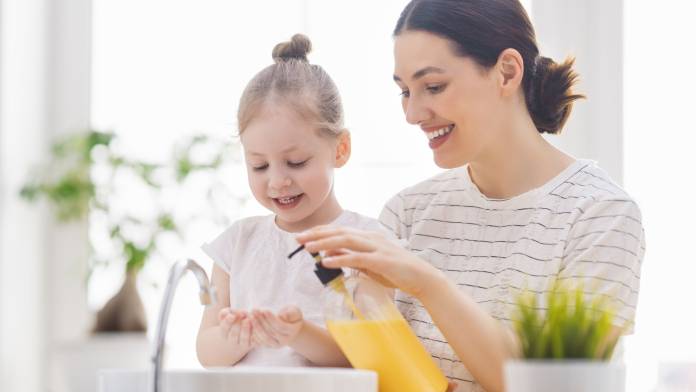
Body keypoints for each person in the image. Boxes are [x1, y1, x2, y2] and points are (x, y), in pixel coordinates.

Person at [297, 1, 645, 391]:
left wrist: (426, 283)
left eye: (433, 87)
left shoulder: (600, 214)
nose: (412, 113)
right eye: (405, 92)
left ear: (507, 72)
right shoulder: (408, 211)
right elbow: (380, 369)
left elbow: (551, 385)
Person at [196, 34, 382, 368]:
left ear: (340, 149)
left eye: (296, 162)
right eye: (259, 166)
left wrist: (298, 334)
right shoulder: (236, 245)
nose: (278, 180)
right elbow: (207, 353)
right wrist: (241, 334)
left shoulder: (366, 242)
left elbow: (369, 356)